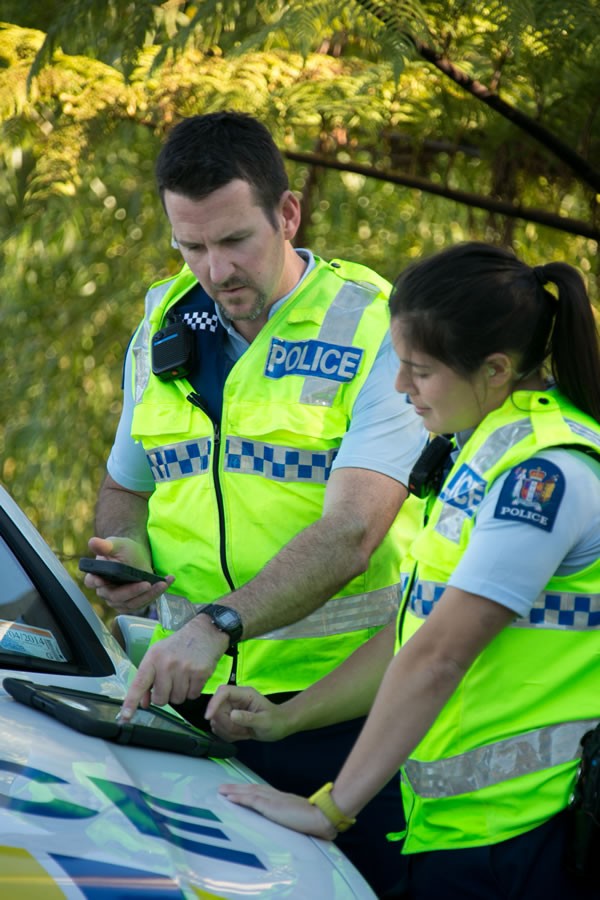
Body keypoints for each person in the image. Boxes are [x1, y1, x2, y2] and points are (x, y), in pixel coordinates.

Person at [84, 111, 427, 895]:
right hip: (186, 708)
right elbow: (123, 488)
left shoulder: (379, 326)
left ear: (289, 214)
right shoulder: (162, 321)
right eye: (190, 246)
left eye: (235, 240)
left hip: (342, 714)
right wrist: (124, 556)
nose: (214, 269)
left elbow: (352, 531)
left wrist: (216, 625)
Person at [206, 242, 600, 900]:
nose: (399, 387)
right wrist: (287, 717)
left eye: (419, 370)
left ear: (496, 369)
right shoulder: (482, 450)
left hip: (524, 843)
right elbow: (413, 637)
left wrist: (328, 808)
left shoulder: (544, 474)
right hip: (463, 836)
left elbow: (438, 657)